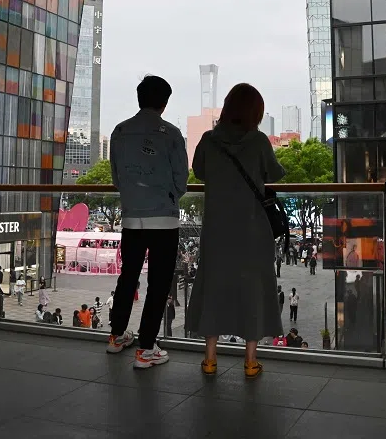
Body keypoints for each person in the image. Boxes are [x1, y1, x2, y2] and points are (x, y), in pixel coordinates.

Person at [185, 83, 285, 379]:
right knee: (253, 287)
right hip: (253, 228)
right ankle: (250, 361)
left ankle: (210, 358)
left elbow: (200, 172)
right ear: (256, 111)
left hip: (217, 228)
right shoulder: (258, 141)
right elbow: (274, 173)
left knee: (214, 286)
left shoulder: (208, 140)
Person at [107, 76, 188, 369]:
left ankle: (117, 336)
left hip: (131, 216)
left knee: (128, 276)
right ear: (164, 102)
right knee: (158, 283)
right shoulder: (172, 134)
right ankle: (146, 348)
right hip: (164, 218)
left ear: (139, 98)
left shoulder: (119, 131)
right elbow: (182, 181)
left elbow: (117, 178)